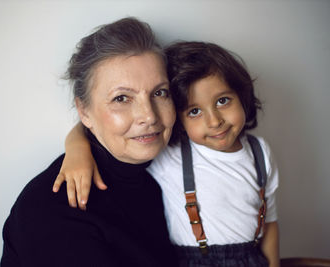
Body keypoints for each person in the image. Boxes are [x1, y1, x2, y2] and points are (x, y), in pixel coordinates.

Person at [53, 42, 280, 266]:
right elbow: (92, 125)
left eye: (223, 101)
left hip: (252, 258)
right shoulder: (171, 154)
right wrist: (76, 149)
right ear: (179, 117)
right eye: (194, 111)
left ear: (242, 95)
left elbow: (269, 221)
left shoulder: (260, 152)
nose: (214, 121)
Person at [1, 17, 178, 267]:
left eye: (160, 93)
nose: (149, 116)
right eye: (121, 98)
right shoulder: (53, 209)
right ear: (84, 111)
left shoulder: (172, 169)